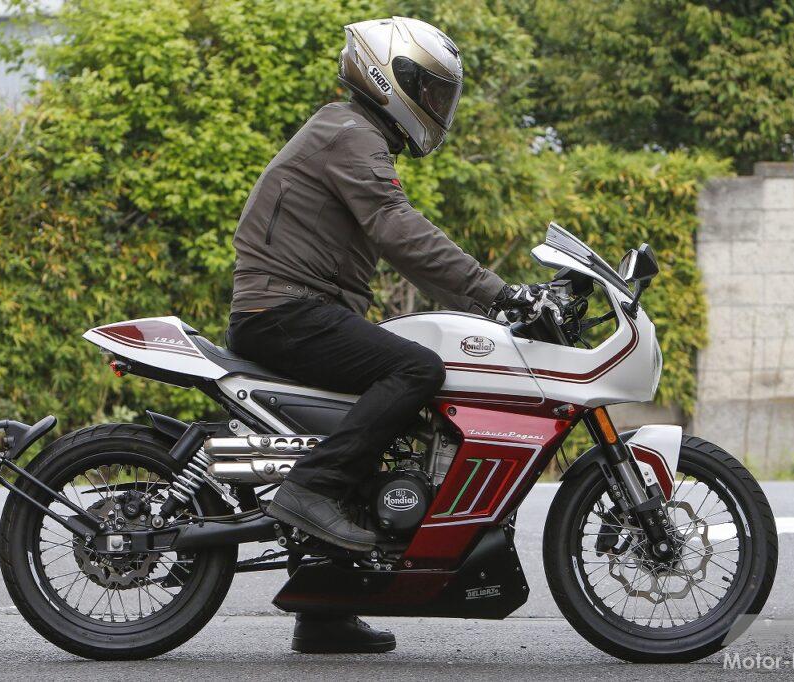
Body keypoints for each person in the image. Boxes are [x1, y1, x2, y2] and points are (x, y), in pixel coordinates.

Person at [226, 16, 557, 653]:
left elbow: (401, 242)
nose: (435, 103)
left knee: (389, 423)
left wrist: (483, 303)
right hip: (285, 312)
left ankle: (325, 613)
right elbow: (398, 230)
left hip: (298, 309)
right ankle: (309, 489)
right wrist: (500, 293)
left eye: (439, 93)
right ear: (388, 76)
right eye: (427, 89)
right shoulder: (348, 132)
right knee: (416, 369)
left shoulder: (351, 132)